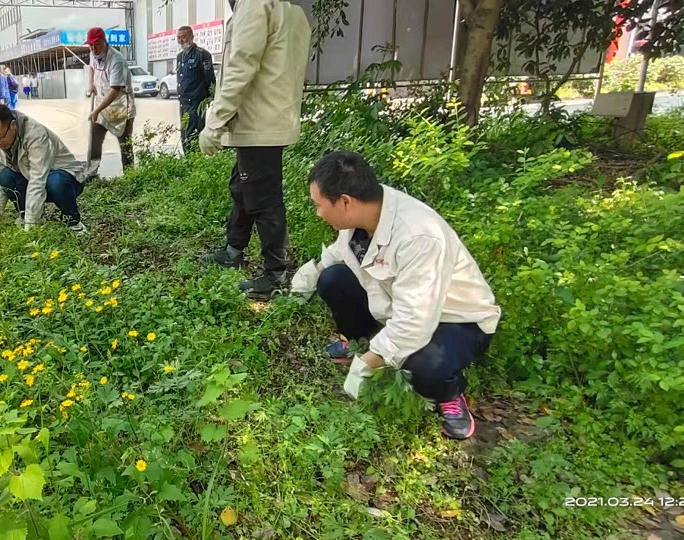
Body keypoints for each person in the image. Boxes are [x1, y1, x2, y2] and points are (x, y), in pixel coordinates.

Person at [290, 151, 502, 440]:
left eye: (318, 205)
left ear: (345, 202)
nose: (318, 213)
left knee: (424, 366)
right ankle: (363, 344)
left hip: (456, 320)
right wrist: (311, 272)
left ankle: (448, 392)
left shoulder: (418, 237)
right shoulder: (366, 214)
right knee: (333, 279)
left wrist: (368, 364)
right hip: (398, 308)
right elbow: (342, 253)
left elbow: (415, 323)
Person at [199, 0, 310, 300]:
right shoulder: (291, 10)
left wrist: (216, 122)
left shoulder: (255, 5)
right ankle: (233, 250)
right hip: (273, 117)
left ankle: (275, 275)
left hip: (259, 122)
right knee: (242, 186)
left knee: (264, 199)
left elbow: (240, 66)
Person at [0, 103, 88, 233]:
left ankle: (72, 220)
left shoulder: (36, 134)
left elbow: (38, 179)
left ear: (13, 125)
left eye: (0, 136)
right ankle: (24, 213)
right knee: (5, 175)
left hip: (64, 181)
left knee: (55, 181)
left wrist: (31, 224)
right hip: (29, 176)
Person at [85, 27, 135, 179]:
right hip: (102, 103)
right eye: (90, 45)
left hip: (120, 105)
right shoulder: (93, 53)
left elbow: (114, 91)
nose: (93, 48)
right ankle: (92, 174)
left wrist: (96, 110)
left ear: (104, 41)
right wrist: (91, 84)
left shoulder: (116, 60)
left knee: (125, 143)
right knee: (95, 139)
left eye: (96, 44)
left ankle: (131, 176)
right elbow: (92, 67)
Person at [175, 26, 214, 153]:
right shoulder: (180, 57)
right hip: (184, 102)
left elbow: (210, 79)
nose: (181, 40)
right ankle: (188, 162)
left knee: (194, 133)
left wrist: (210, 98)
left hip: (196, 102)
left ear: (191, 37)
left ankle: (195, 162)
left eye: (184, 37)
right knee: (185, 134)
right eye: (178, 38)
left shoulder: (202, 54)